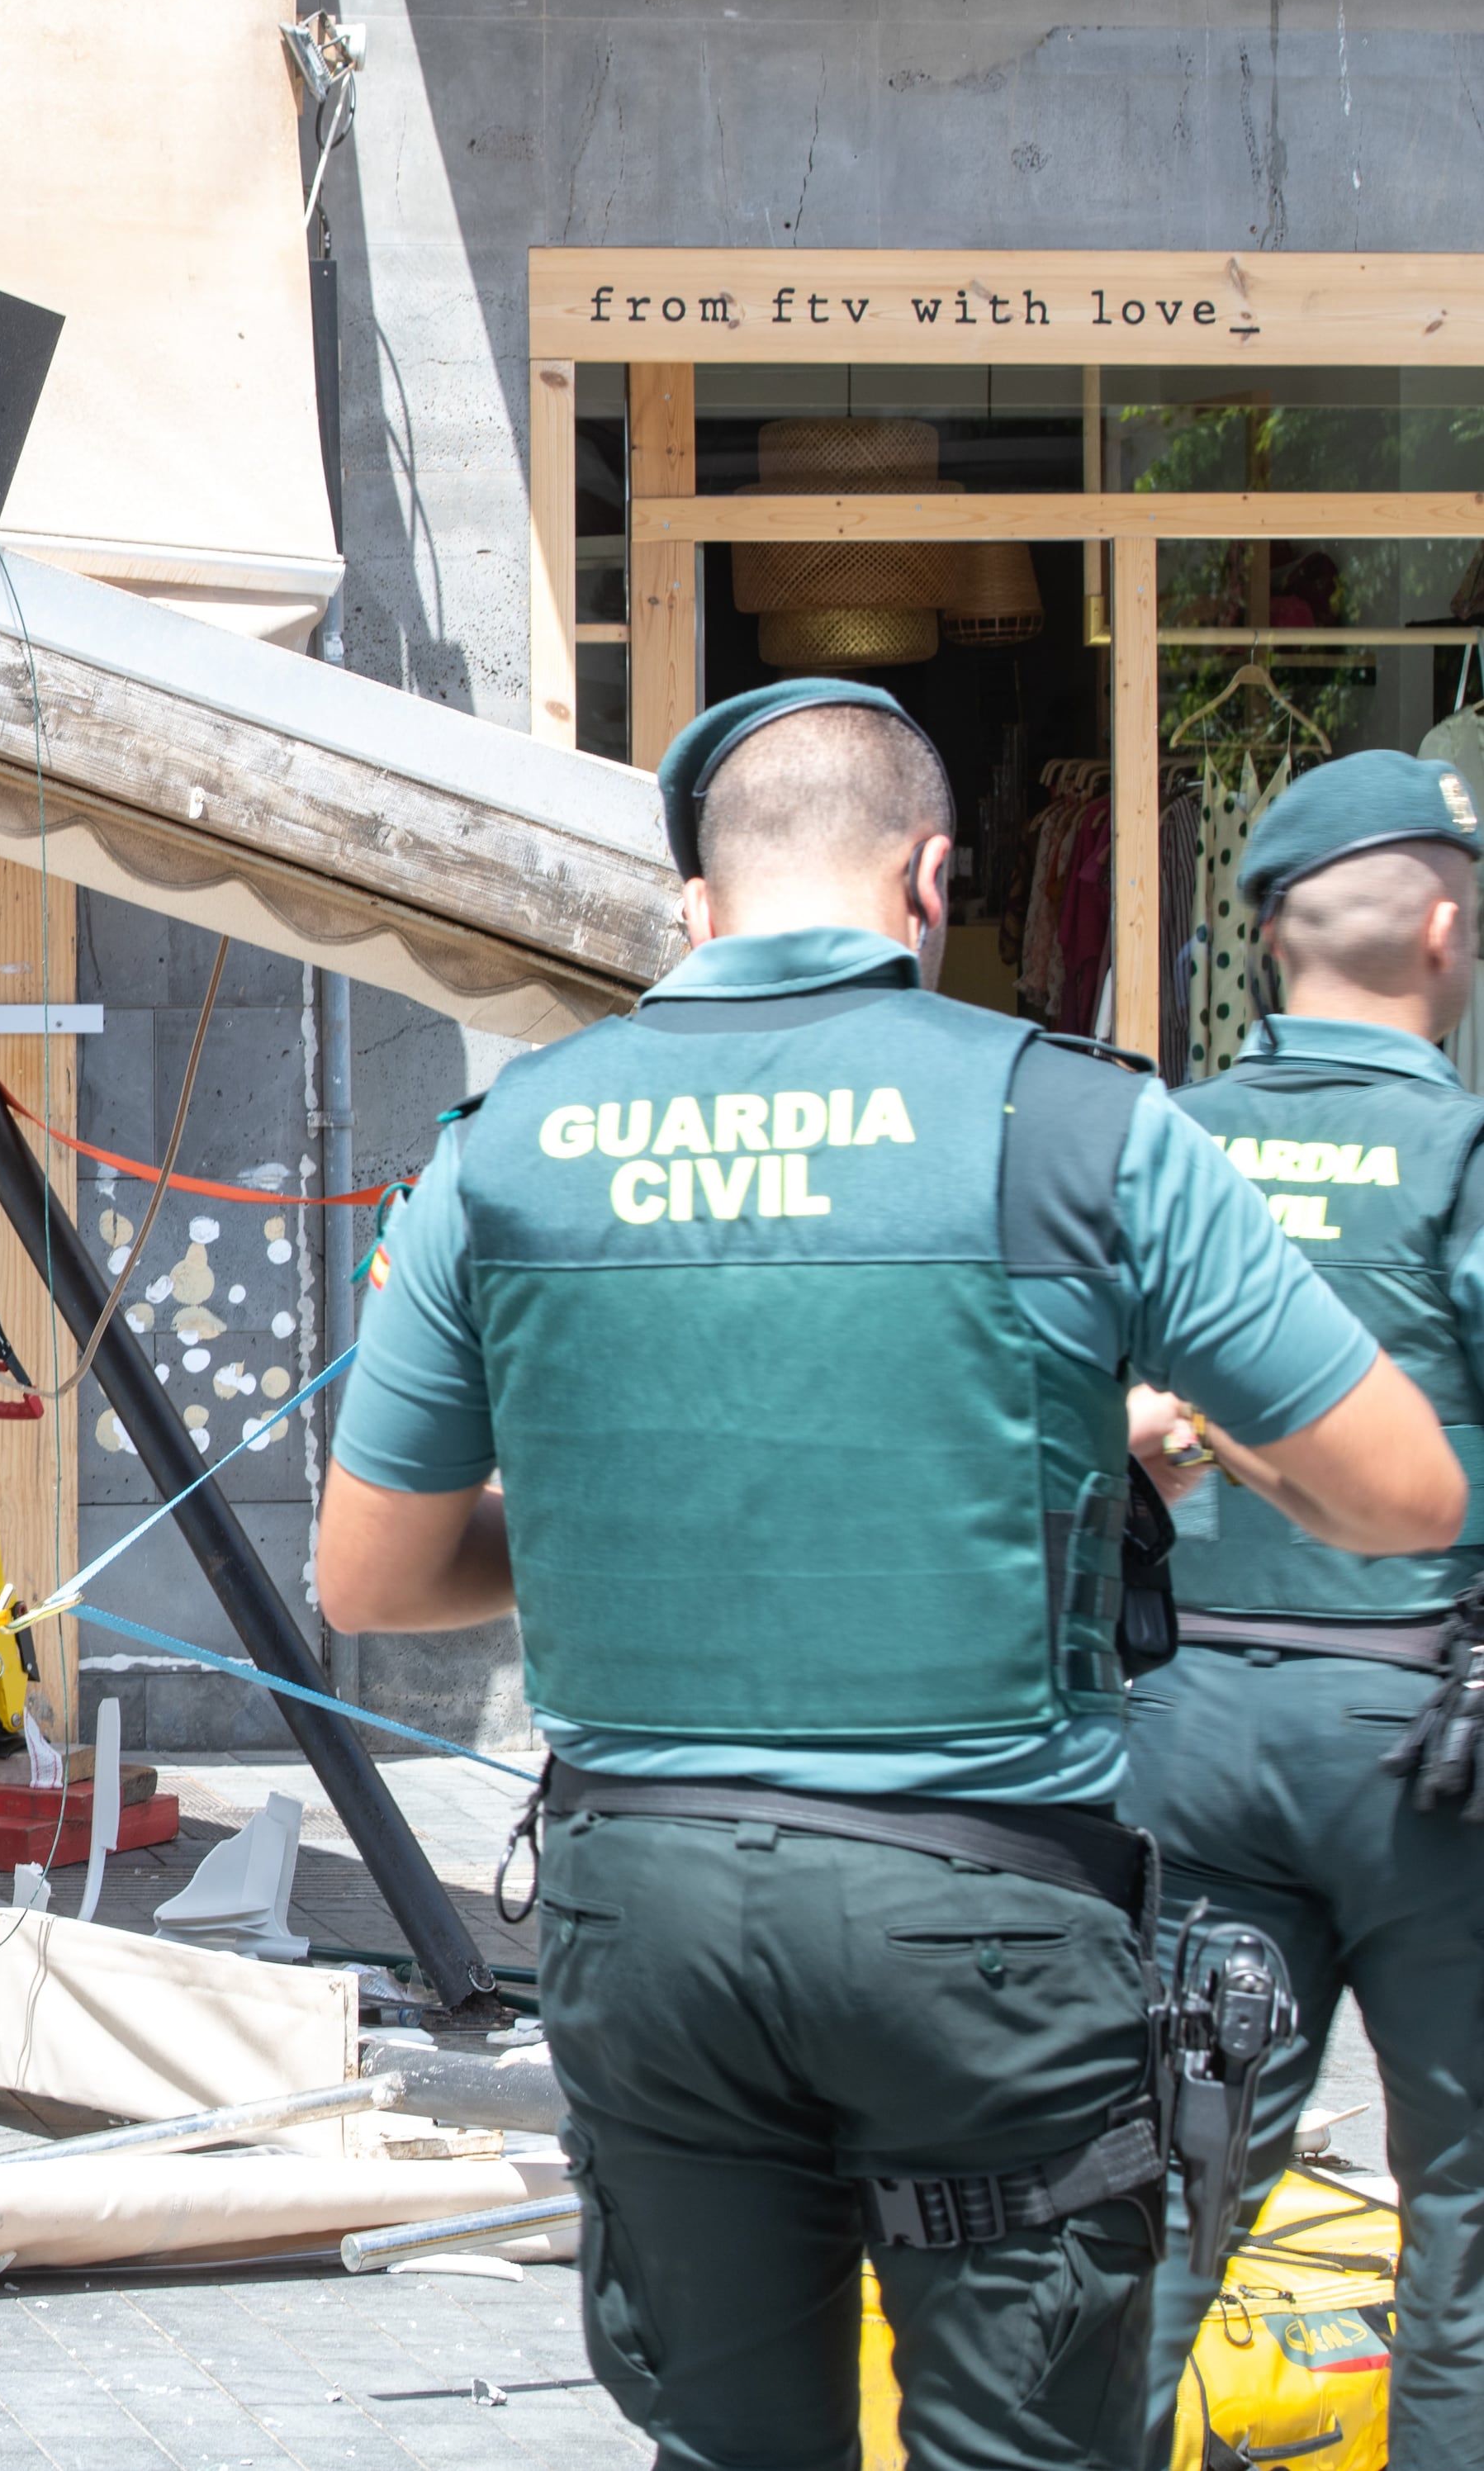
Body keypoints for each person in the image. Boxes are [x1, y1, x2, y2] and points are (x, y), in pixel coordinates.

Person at [314, 678, 1461, 2471]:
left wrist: (667, 1496)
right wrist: (1127, 1441)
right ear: (931, 879)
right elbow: (1400, 1492)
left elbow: (371, 1576)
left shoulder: (507, 1140)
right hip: (984, 1923)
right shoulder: (1079, 1128)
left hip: (650, 1907)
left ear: (696, 906)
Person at [1121, 750, 1484, 2464]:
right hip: (1430, 1758)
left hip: (1191, 1738)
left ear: (1266, 938)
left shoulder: (1161, 1146)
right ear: (1440, 924)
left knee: (1169, 2195)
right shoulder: (1460, 1154)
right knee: (1465, 2223)